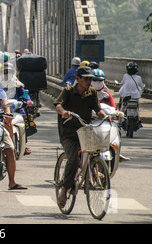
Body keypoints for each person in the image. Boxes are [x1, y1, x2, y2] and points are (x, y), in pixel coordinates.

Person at [54, 66, 108, 208]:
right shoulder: (68, 92)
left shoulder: (92, 93)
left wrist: (106, 116)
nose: (89, 81)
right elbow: (57, 105)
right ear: (77, 79)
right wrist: (64, 112)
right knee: (72, 159)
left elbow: (98, 110)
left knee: (99, 149)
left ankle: (95, 170)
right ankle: (64, 189)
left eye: (90, 79)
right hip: (69, 133)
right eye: (86, 79)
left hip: (85, 131)